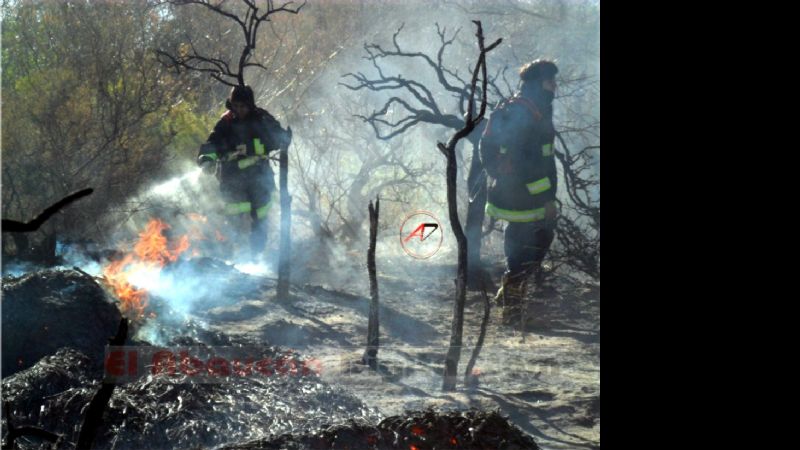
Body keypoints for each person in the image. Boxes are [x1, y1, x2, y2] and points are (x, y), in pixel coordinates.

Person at [479, 59, 559, 326]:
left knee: (520, 235)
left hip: (512, 190)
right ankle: (512, 307)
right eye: (551, 81)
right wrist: (545, 196)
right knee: (535, 238)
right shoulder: (528, 112)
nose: (554, 86)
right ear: (539, 83)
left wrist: (500, 177)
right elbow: (531, 162)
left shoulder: (525, 107)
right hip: (528, 194)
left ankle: (510, 292)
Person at [198, 85, 292, 262]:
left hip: (259, 177)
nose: (239, 110)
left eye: (243, 106)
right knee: (234, 219)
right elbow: (212, 142)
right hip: (233, 179)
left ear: (250, 105)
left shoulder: (262, 118)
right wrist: (206, 159)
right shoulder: (225, 122)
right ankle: (233, 260)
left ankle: (256, 258)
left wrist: (257, 146)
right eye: (236, 106)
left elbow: (279, 138)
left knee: (261, 217)